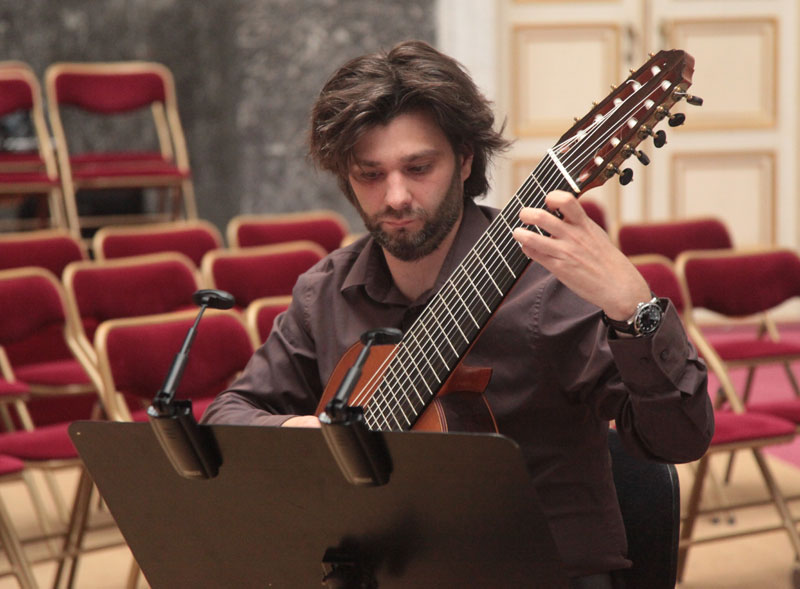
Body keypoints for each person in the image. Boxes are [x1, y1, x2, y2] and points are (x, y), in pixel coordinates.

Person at [202, 40, 713, 586]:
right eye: (369, 174)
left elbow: (678, 439)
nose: (396, 197)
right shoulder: (325, 293)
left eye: (419, 167)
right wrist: (298, 432)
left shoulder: (549, 288)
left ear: (465, 159)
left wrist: (634, 310)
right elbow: (228, 415)